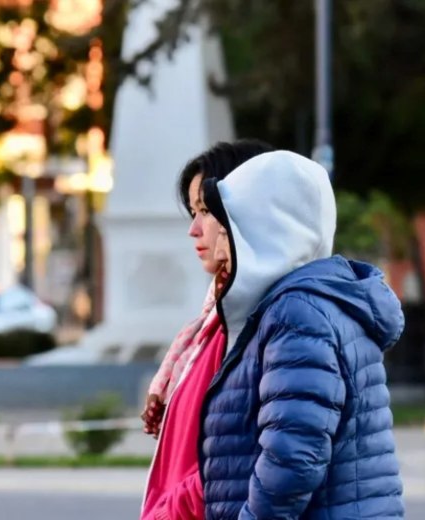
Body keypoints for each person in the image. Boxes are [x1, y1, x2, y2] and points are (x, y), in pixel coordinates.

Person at [198, 150, 405, 519]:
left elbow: (292, 459)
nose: (218, 243)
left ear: (266, 230)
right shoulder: (313, 303)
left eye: (230, 227)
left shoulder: (297, 313)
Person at [140, 139, 274, 520]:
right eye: (192, 212)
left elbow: (240, 463)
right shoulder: (214, 322)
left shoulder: (250, 323)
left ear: (242, 212)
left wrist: (166, 514)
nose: (194, 230)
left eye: (205, 211)